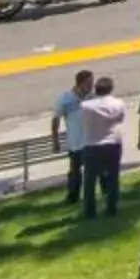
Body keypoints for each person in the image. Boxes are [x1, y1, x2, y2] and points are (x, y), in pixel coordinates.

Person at [76, 76, 125, 218]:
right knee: (113, 177)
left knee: (90, 181)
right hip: (112, 143)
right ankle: (112, 207)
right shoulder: (118, 103)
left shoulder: (86, 106)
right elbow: (121, 119)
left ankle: (90, 211)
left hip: (92, 145)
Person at [51, 68, 89, 208]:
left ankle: (101, 193)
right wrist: (55, 140)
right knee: (75, 174)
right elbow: (56, 119)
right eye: (88, 83)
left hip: (91, 142)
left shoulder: (92, 97)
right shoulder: (65, 99)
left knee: (98, 170)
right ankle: (73, 197)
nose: (91, 86)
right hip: (75, 144)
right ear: (80, 83)